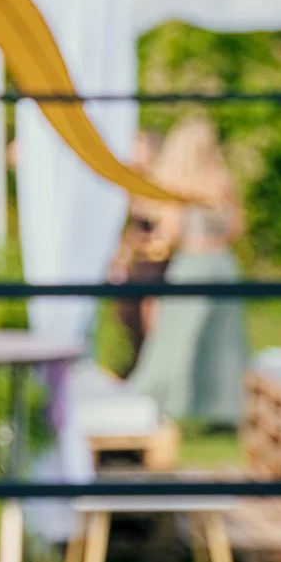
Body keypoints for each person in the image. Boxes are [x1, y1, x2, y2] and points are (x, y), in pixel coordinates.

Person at [125, 116, 247, 427]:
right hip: (222, 265)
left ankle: (171, 404)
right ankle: (224, 409)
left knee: (176, 339)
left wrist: (146, 243)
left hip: (193, 265)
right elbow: (236, 227)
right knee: (224, 342)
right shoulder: (222, 180)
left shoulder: (182, 185)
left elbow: (172, 231)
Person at [108, 129, 176, 378]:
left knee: (148, 311)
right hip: (141, 261)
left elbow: (165, 231)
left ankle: (148, 366)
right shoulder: (133, 186)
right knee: (125, 307)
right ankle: (136, 360)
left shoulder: (161, 184)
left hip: (157, 261)